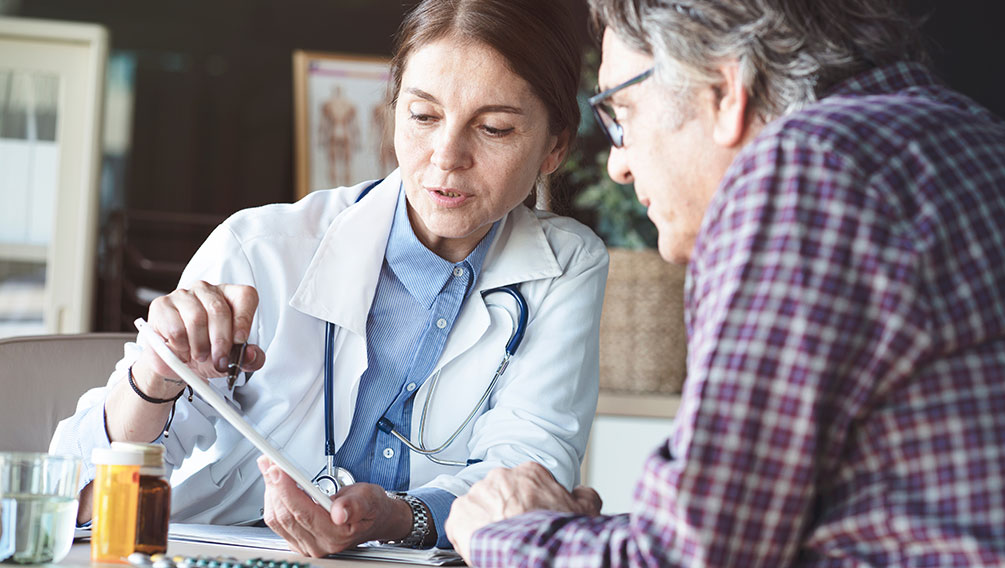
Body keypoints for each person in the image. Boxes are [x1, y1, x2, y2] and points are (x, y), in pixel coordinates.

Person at [444, 0, 1005, 565]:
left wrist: (509, 534)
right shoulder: (985, 148)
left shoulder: (808, 168)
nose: (618, 167)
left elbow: (691, 557)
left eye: (621, 115)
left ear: (724, 88)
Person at [51, 0, 607, 556]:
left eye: (494, 128)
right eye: (423, 116)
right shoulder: (260, 250)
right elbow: (75, 494)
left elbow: (527, 478)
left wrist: (397, 517)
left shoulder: (566, 265)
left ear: (554, 146)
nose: (446, 156)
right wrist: (155, 379)